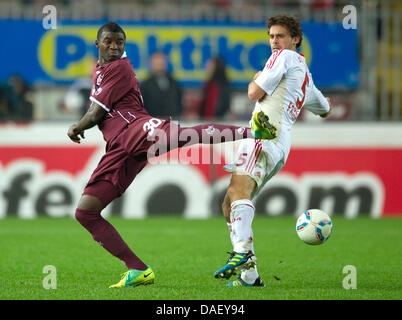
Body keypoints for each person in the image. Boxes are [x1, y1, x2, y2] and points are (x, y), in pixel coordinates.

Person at [67, 21, 252, 288]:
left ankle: (249, 132)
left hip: (137, 129)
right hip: (119, 148)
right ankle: (138, 269)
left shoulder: (120, 68)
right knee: (86, 212)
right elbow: (98, 112)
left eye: (119, 42)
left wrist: (76, 126)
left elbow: (95, 114)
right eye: (109, 41)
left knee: (187, 135)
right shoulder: (99, 70)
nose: (114, 46)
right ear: (97, 44)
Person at [213, 14, 332, 287]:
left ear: (295, 40)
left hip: (263, 135)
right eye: (271, 36)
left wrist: (256, 78)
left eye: (280, 36)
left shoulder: (283, 58)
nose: (274, 42)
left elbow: (253, 93)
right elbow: (324, 109)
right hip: (280, 146)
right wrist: (323, 102)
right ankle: (250, 276)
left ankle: (242, 253)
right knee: (229, 202)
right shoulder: (305, 75)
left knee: (238, 193)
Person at [140, 51, 182, 119]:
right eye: (157, 62)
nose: (159, 64)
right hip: (155, 123)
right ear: (151, 64)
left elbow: (178, 102)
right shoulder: (145, 85)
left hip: (173, 122)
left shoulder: (174, 82)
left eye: (161, 62)